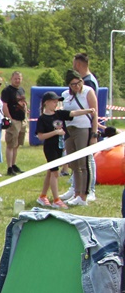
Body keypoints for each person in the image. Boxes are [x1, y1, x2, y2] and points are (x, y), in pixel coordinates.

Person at [36, 91, 92, 209]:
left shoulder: (59, 114)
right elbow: (40, 136)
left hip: (60, 147)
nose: (56, 104)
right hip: (50, 147)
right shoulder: (42, 119)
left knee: (50, 171)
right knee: (55, 173)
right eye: (54, 101)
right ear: (46, 103)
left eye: (57, 102)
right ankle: (56, 200)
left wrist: (88, 111)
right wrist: (55, 132)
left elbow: (73, 113)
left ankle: (42, 196)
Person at [61, 70, 100, 207]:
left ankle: (84, 195)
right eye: (73, 84)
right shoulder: (65, 95)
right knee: (74, 164)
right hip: (69, 129)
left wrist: (94, 134)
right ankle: (76, 193)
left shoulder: (88, 91)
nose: (77, 86)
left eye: (78, 83)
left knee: (84, 163)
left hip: (83, 129)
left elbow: (95, 114)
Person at [1, 71, 28, 176]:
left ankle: (14, 164)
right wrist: (9, 118)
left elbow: (24, 103)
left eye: (19, 78)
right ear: (11, 79)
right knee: (11, 144)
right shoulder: (7, 91)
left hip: (22, 120)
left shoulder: (21, 90)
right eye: (15, 78)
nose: (17, 80)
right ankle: (9, 167)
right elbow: (4, 105)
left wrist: (26, 113)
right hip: (13, 120)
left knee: (17, 144)